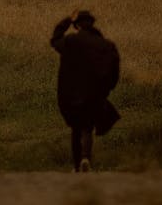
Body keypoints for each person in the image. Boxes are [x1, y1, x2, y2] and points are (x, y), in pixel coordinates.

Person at [51, 9, 120, 172]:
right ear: (92, 24)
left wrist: (67, 20)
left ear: (77, 26)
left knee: (76, 127)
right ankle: (85, 158)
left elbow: (55, 40)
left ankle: (77, 165)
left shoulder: (71, 41)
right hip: (95, 95)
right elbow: (115, 71)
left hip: (72, 95)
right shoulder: (107, 45)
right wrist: (107, 89)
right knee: (87, 127)